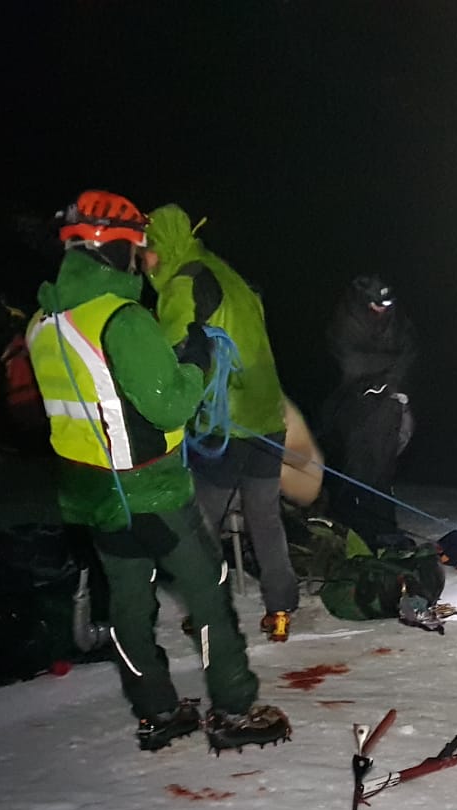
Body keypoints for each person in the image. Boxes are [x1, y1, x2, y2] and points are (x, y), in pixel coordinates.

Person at [25, 189, 291, 753]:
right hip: (152, 490)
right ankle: (235, 707)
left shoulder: (43, 324)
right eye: (134, 249)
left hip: (93, 496)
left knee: (128, 605)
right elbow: (168, 404)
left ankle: (158, 711)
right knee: (210, 593)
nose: (141, 260)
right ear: (113, 251)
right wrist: (196, 362)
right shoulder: (121, 318)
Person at [141, 204, 301, 642]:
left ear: (166, 245)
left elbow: (169, 350)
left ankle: (208, 609)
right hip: (267, 416)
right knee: (264, 516)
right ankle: (281, 609)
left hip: (225, 422)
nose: (144, 260)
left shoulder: (184, 281)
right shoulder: (226, 274)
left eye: (149, 249)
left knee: (201, 519)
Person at [319, 274, 417, 546]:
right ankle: (353, 534)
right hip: (351, 406)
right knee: (355, 471)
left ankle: (384, 530)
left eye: (387, 303)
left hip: (389, 404)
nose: (383, 309)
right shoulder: (346, 319)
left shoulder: (395, 320)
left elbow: (408, 354)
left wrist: (388, 381)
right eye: (377, 304)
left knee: (383, 471)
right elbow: (350, 361)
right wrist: (379, 372)